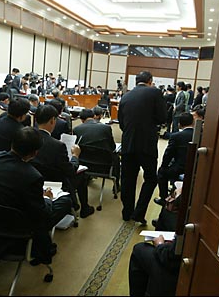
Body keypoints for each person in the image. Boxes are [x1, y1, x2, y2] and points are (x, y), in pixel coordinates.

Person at [0, 127, 72, 264]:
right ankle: (41, 247)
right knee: (64, 201)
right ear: (35, 153)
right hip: (15, 228)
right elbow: (41, 214)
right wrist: (47, 198)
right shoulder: (32, 176)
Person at [118, 71, 167, 225]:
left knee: (127, 179)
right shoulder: (155, 92)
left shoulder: (125, 96)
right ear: (150, 81)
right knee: (151, 179)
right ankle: (139, 213)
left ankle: (127, 212)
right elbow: (162, 118)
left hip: (128, 144)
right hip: (147, 145)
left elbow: (121, 123)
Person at [31, 105, 93, 217]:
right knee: (82, 174)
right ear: (52, 120)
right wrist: (75, 156)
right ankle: (84, 208)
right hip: (56, 182)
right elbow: (70, 171)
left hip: (33, 179)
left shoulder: (27, 136)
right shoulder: (57, 145)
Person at [73, 108, 121, 191]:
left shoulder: (77, 129)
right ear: (94, 116)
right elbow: (112, 147)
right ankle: (116, 184)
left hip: (85, 165)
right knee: (116, 156)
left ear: (81, 120)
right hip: (105, 166)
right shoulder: (106, 128)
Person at [155, 112, 194, 206]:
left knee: (161, 173)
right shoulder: (200, 135)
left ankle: (164, 198)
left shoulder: (176, 136)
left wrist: (163, 166)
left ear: (179, 124)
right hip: (194, 168)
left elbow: (168, 154)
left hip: (180, 168)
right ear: (193, 123)